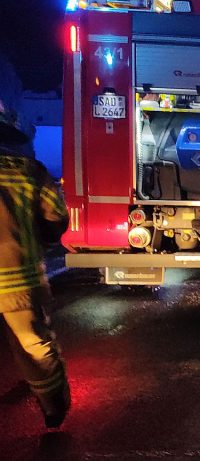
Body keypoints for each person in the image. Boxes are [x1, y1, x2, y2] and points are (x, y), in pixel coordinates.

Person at [0, 100, 71, 428]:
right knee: (34, 346)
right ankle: (55, 410)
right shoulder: (30, 171)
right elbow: (56, 218)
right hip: (16, 281)